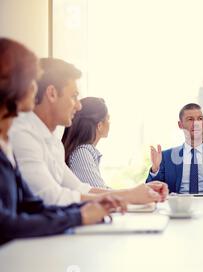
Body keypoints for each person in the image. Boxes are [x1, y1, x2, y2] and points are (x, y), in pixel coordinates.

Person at [0, 38, 127, 245]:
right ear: (11, 85)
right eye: (32, 80)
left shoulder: (7, 142)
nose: (37, 88)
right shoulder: (19, 135)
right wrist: (80, 216)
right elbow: (6, 223)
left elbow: (32, 205)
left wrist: (95, 207)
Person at [9, 57, 168, 206]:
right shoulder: (21, 134)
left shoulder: (53, 143)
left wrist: (134, 192)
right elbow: (50, 197)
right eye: (74, 96)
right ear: (52, 93)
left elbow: (80, 188)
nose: (78, 106)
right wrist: (127, 197)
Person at [62, 97, 110, 188]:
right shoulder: (82, 153)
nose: (110, 122)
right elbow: (100, 193)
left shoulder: (85, 152)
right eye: (108, 118)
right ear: (99, 125)